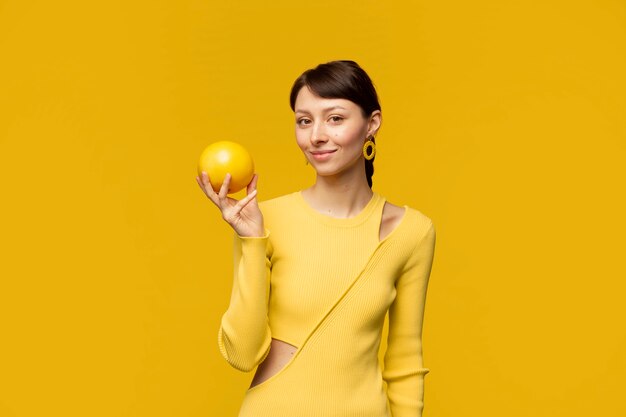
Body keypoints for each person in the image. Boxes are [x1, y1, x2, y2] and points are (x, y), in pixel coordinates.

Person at [196, 60, 437, 417]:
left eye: (335, 118)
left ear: (372, 124)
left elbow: (404, 363)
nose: (316, 135)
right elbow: (243, 355)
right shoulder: (263, 220)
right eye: (304, 120)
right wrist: (251, 239)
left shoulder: (411, 231)